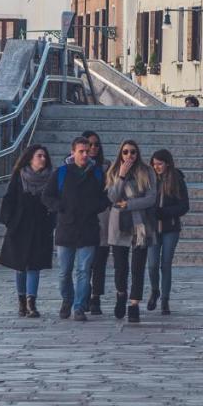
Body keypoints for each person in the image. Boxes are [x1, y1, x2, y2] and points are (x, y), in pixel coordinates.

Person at [42, 136, 110, 321]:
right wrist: (60, 206)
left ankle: (79, 306)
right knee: (64, 271)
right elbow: (47, 196)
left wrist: (96, 206)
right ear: (73, 152)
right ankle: (67, 299)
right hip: (66, 228)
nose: (85, 155)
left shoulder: (97, 173)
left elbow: (106, 197)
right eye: (81, 151)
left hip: (88, 228)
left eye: (87, 151)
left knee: (84, 271)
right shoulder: (61, 173)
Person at [104, 140, 158, 324]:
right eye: (125, 152)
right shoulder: (113, 171)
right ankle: (121, 293)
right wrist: (121, 176)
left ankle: (134, 304)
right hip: (119, 224)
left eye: (133, 152)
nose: (129, 156)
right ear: (121, 153)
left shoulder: (147, 171)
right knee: (120, 267)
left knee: (137, 267)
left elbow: (151, 198)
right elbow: (112, 197)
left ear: (138, 153)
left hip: (140, 225)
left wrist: (129, 204)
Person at [0, 144, 55, 318]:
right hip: (20, 226)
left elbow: (54, 201)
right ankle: (22, 301)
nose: (43, 159)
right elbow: (9, 199)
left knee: (34, 266)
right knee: (20, 266)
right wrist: (10, 221)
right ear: (30, 158)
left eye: (45, 156)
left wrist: (51, 222)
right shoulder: (19, 176)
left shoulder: (50, 177)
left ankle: (32, 302)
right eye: (39, 156)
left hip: (40, 226)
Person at [147, 149, 189, 314]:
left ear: (167, 164)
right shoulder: (149, 179)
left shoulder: (177, 179)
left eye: (160, 164)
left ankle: (165, 299)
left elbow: (184, 206)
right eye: (154, 164)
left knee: (166, 264)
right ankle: (154, 290)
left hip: (170, 228)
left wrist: (164, 212)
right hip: (152, 228)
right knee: (152, 264)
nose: (156, 167)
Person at [80, 131, 112, 316]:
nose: (92, 148)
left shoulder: (106, 167)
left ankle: (96, 297)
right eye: (89, 144)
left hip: (102, 219)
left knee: (99, 262)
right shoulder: (73, 166)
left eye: (96, 145)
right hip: (82, 220)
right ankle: (83, 296)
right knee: (84, 264)